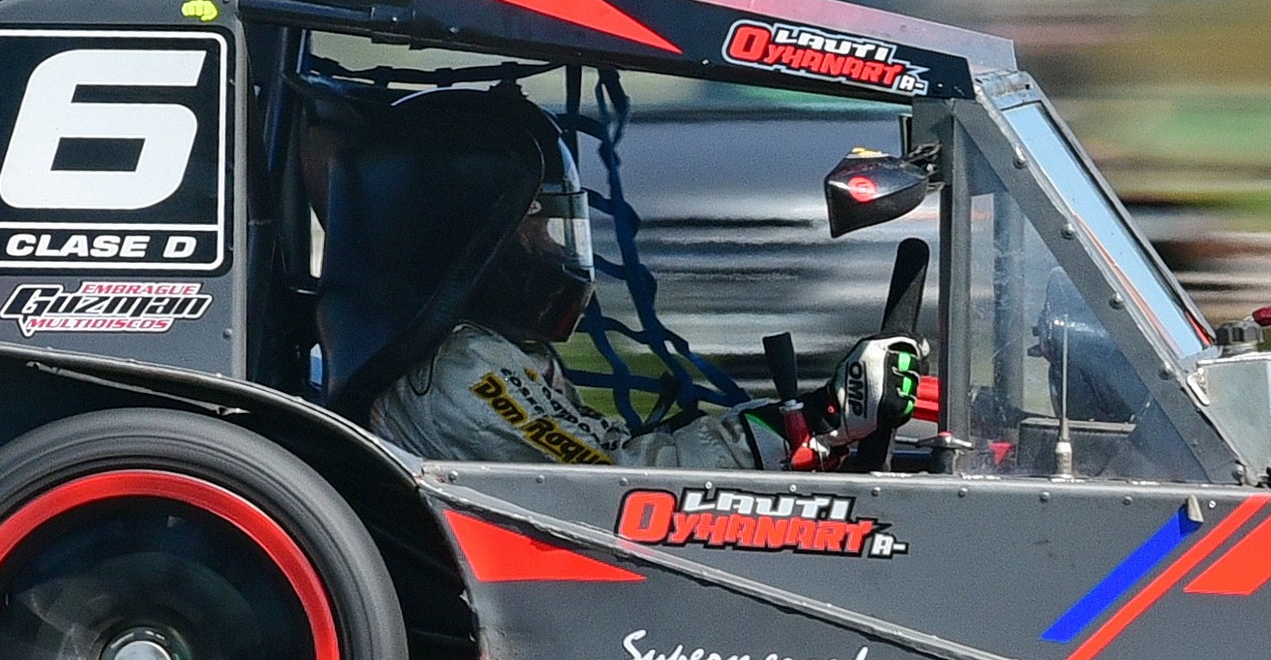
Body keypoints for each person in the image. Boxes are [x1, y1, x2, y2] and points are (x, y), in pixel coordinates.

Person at [371, 189, 925, 472]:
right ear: (477, 243)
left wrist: (810, 420)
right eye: (536, 228)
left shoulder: (493, 351)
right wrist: (816, 421)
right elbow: (615, 479)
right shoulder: (460, 369)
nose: (559, 251)